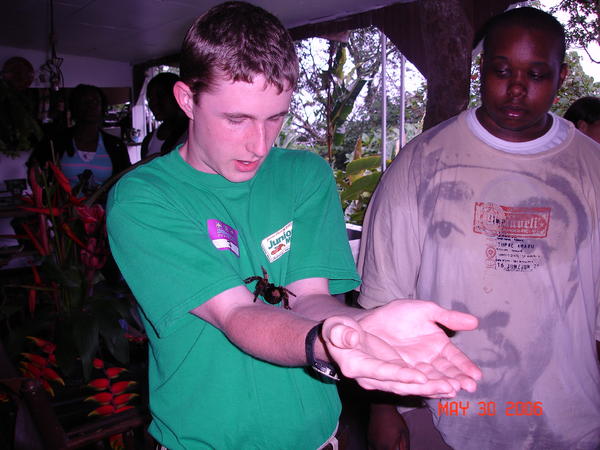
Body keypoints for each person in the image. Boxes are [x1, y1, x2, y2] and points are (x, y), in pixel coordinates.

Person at [106, 2, 482, 448]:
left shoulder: (304, 176)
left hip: (317, 439)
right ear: (188, 100)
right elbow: (237, 313)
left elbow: (311, 300)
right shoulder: (145, 198)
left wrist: (360, 328)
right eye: (236, 119)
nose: (259, 143)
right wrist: (327, 345)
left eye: (275, 117)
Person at [359, 7, 600, 450]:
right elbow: (382, 300)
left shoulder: (591, 169)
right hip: (442, 412)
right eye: (502, 70)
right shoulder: (422, 161)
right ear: (481, 68)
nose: (516, 88)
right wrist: (383, 409)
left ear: (562, 78)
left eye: (536, 74)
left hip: (568, 421)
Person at [30, 84, 130, 190]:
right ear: (74, 106)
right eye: (84, 102)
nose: (90, 106)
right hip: (62, 206)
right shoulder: (54, 142)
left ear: (102, 107)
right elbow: (36, 175)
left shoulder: (115, 146)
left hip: (105, 206)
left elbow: (125, 182)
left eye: (95, 101)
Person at [140, 72, 188, 158]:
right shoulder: (148, 141)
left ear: (177, 96)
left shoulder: (192, 136)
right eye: (150, 99)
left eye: (160, 96)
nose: (153, 104)